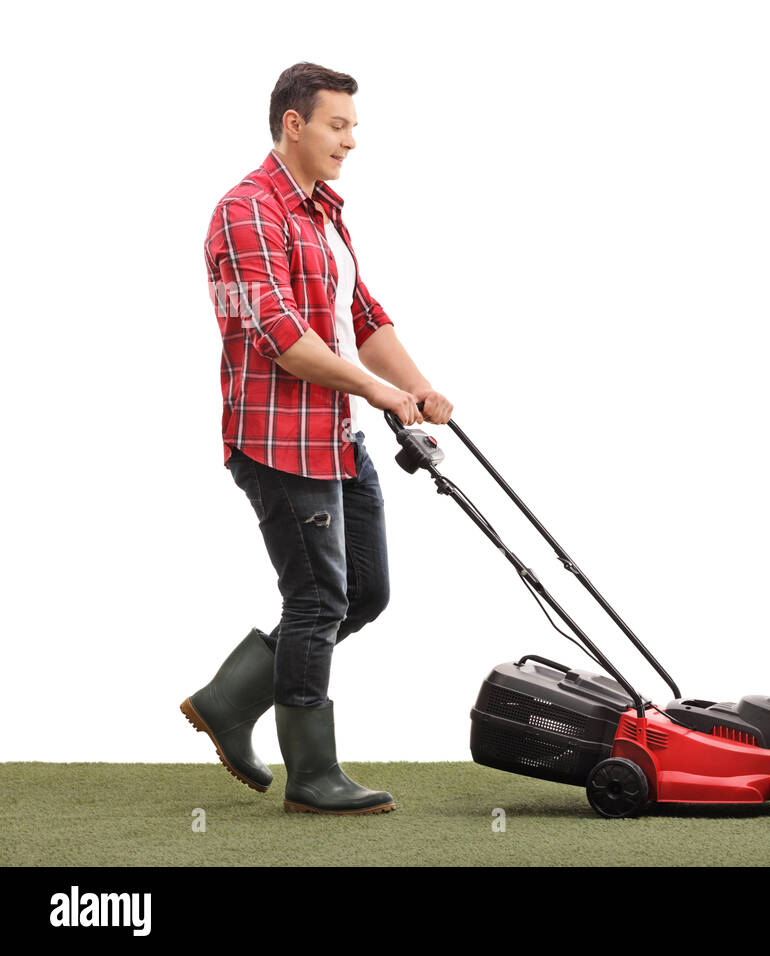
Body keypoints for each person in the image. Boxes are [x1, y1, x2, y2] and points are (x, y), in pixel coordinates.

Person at [181, 62, 452, 815]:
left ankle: (228, 702)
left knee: (364, 590)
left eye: (354, 127)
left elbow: (362, 316)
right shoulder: (247, 211)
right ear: (293, 124)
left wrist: (418, 388)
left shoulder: (324, 212)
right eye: (338, 125)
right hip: (276, 439)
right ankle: (312, 774)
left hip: (335, 434)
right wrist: (379, 392)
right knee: (317, 595)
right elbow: (281, 337)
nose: (352, 141)